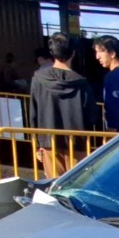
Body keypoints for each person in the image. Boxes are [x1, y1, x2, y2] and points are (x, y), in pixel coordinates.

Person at [29, 33, 96, 177]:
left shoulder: (38, 78)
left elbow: (33, 112)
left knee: (54, 187)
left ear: (52, 52)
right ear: (73, 53)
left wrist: (37, 144)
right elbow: (91, 116)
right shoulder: (82, 83)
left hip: (49, 142)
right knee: (76, 186)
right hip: (77, 143)